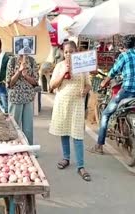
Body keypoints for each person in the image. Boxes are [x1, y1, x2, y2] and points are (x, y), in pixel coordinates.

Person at [49, 41, 92, 182]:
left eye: (71, 51)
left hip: (77, 104)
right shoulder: (59, 66)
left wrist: (84, 91)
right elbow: (51, 86)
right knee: (64, 131)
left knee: (77, 134)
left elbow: (88, 85)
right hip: (62, 103)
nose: (68, 54)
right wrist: (63, 73)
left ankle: (81, 166)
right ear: (63, 53)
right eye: (66, 52)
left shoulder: (82, 66)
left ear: (76, 51)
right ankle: (66, 158)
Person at [89, 35, 135, 155]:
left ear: (123, 46)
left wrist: (104, 82)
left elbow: (113, 71)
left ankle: (99, 145)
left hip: (127, 91)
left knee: (105, 114)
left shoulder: (124, 56)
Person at [6, 54, 38, 145]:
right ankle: (14, 149)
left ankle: (28, 149)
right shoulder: (12, 61)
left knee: (28, 128)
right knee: (14, 127)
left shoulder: (32, 61)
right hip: (15, 98)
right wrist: (19, 71)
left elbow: (35, 82)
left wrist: (26, 76)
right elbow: (9, 83)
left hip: (28, 98)